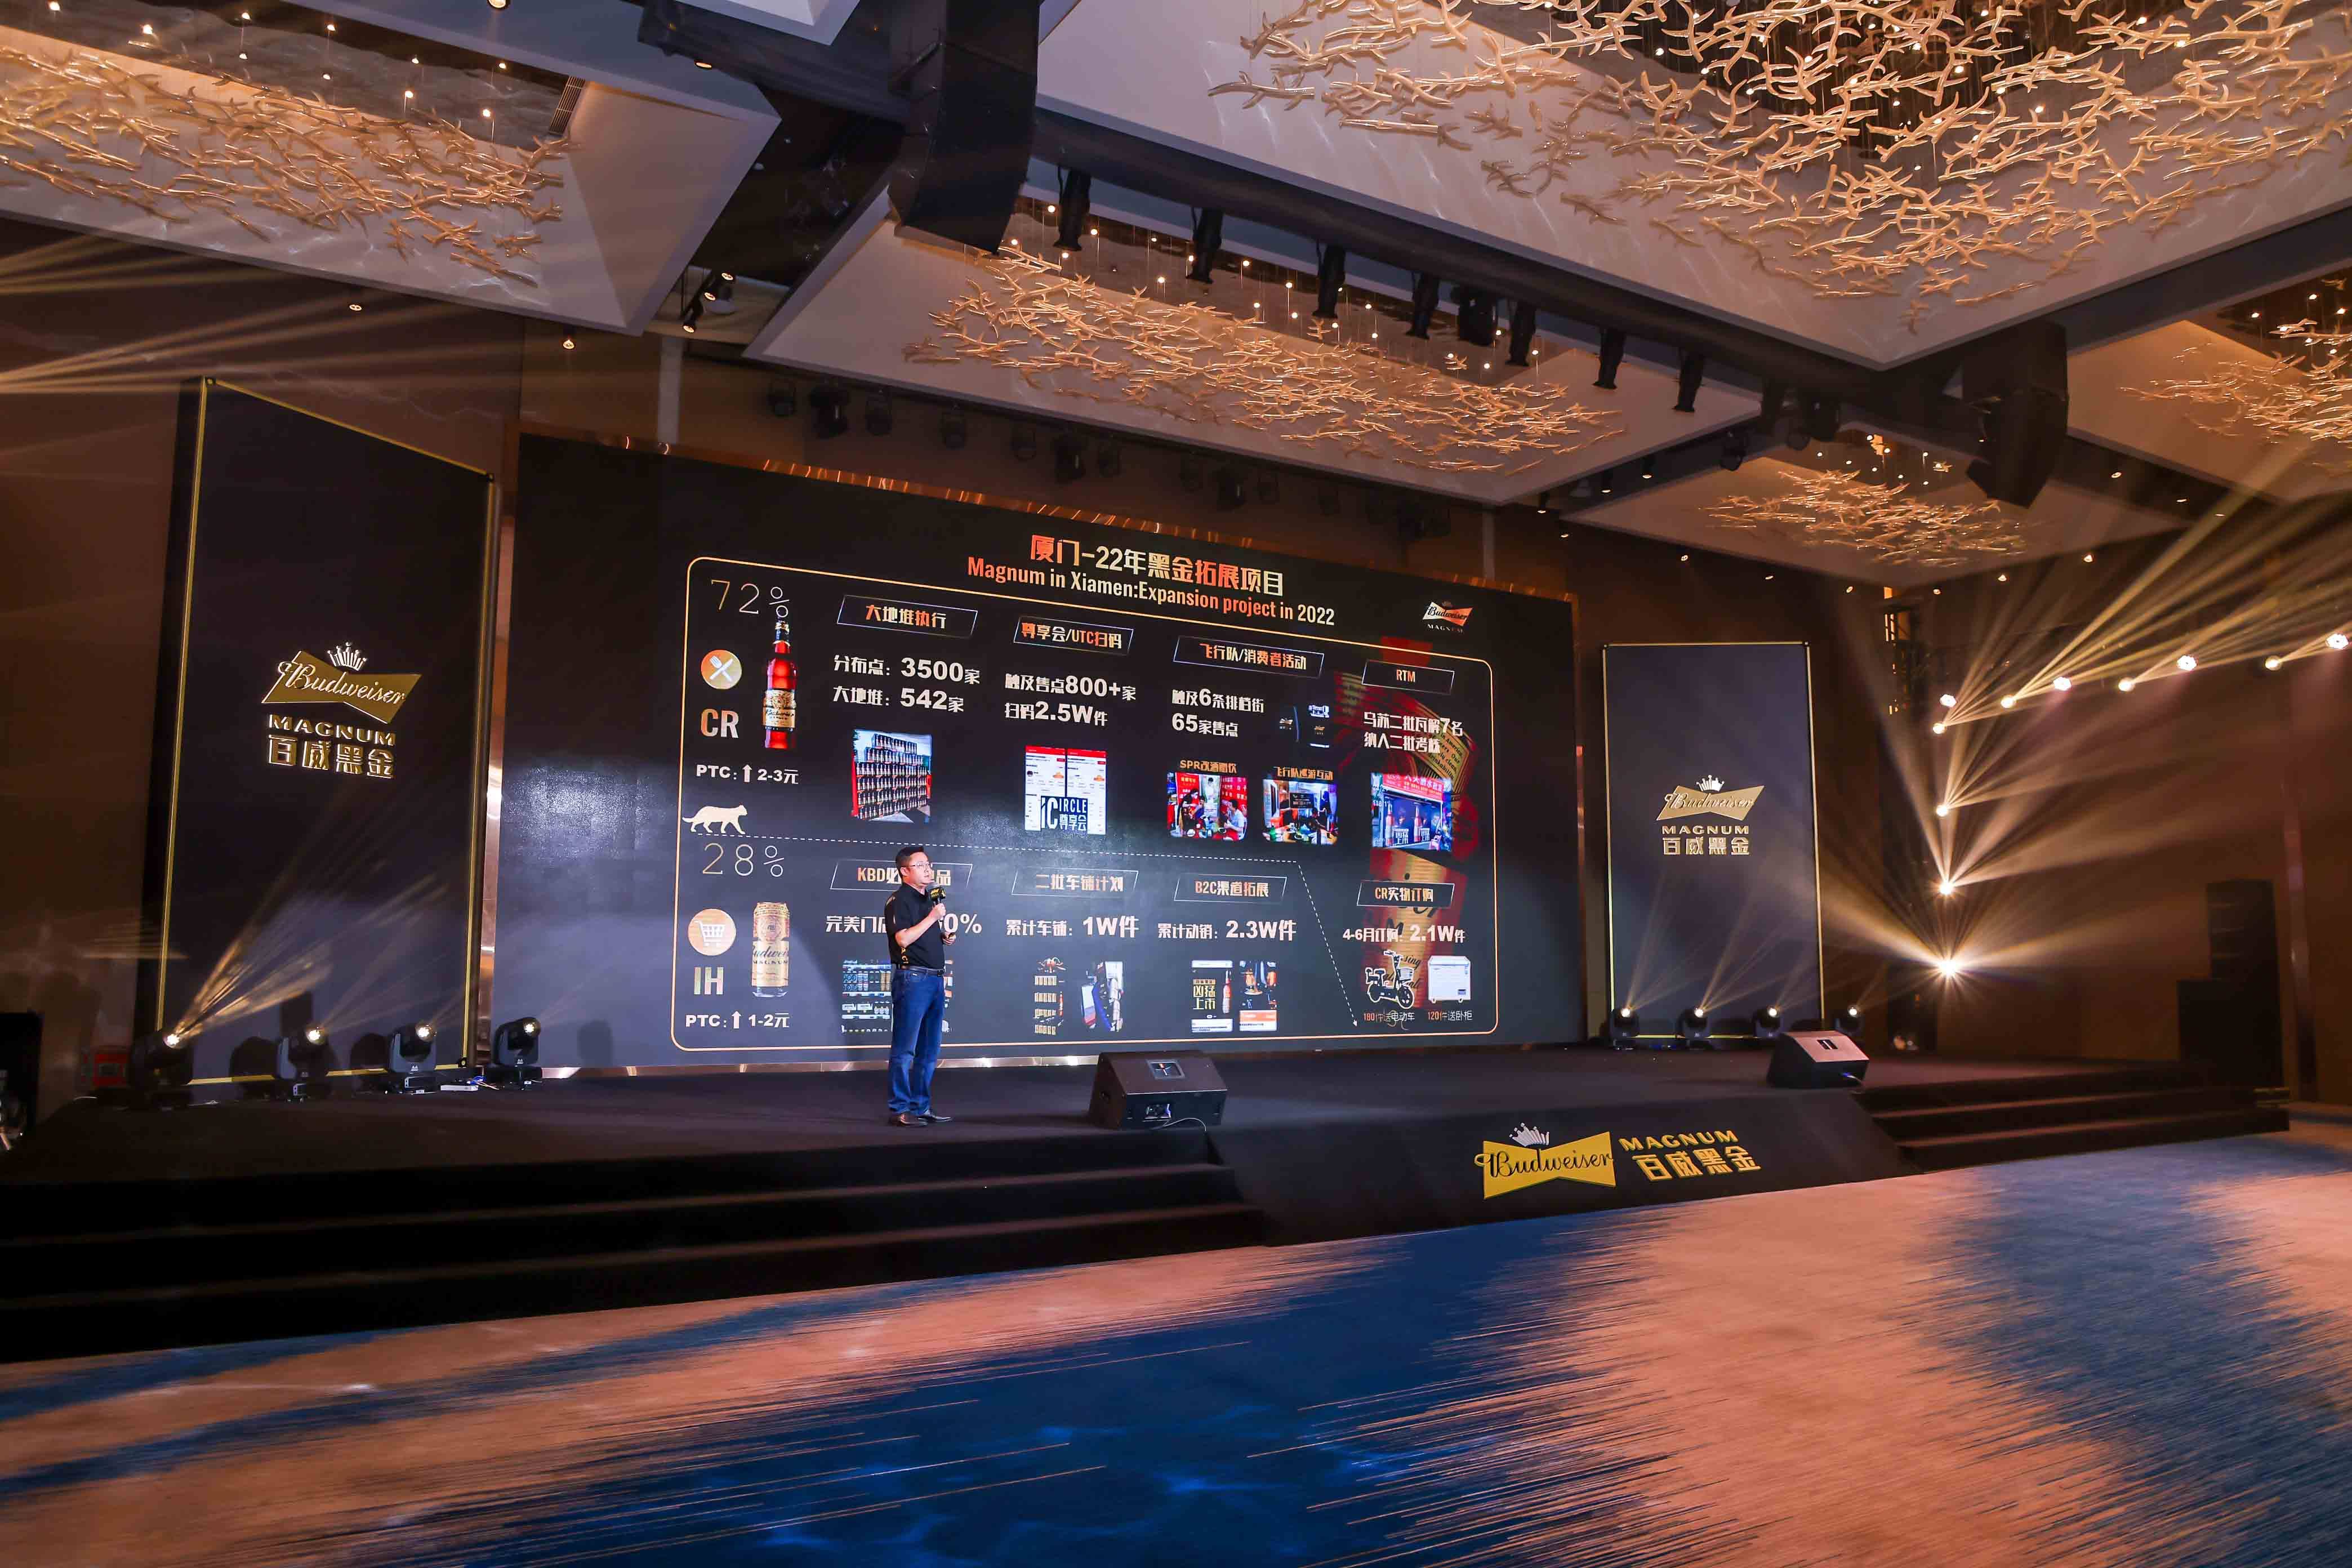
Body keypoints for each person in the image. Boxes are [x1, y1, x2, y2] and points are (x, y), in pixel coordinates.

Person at [883, 844, 956, 1126]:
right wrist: (932, 918)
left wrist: (943, 936)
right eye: (921, 865)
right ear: (905, 871)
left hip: (935, 979)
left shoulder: (929, 899)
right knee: (905, 1050)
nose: (928, 870)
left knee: (929, 1050)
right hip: (913, 980)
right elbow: (903, 939)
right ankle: (900, 1110)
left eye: (928, 864)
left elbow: (922, 936)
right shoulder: (899, 900)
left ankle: (921, 1107)